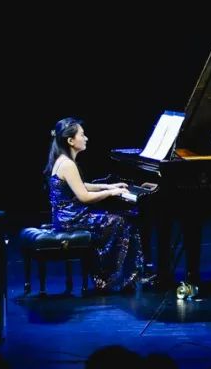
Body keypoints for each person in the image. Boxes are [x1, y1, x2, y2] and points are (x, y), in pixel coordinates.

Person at [44, 117, 144, 292]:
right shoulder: (67, 164)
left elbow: (80, 185)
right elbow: (84, 196)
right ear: (70, 141)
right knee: (121, 221)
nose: (86, 138)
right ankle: (111, 278)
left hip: (66, 218)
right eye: (82, 135)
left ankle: (120, 275)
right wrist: (111, 193)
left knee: (117, 219)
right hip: (71, 220)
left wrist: (108, 186)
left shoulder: (62, 160)